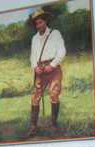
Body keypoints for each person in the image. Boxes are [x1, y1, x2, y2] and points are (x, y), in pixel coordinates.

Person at [28, 7, 66, 136]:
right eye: (36, 23)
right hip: (40, 70)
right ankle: (33, 126)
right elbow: (33, 56)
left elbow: (62, 51)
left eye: (41, 22)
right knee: (35, 96)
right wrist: (35, 67)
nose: (39, 25)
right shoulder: (34, 39)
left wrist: (53, 65)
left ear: (46, 21)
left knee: (54, 93)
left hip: (53, 68)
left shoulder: (55, 34)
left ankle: (53, 124)